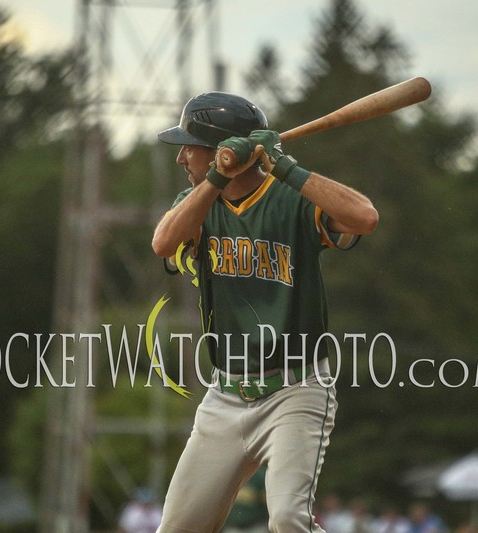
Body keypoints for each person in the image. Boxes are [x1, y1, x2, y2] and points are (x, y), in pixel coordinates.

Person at [151, 91, 379, 532]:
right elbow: (163, 243)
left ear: (219, 148)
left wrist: (285, 166)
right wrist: (217, 176)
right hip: (225, 394)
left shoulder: (291, 198)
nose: (181, 157)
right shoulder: (198, 201)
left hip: (296, 389)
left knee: (289, 519)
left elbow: (365, 217)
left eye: (189, 146)